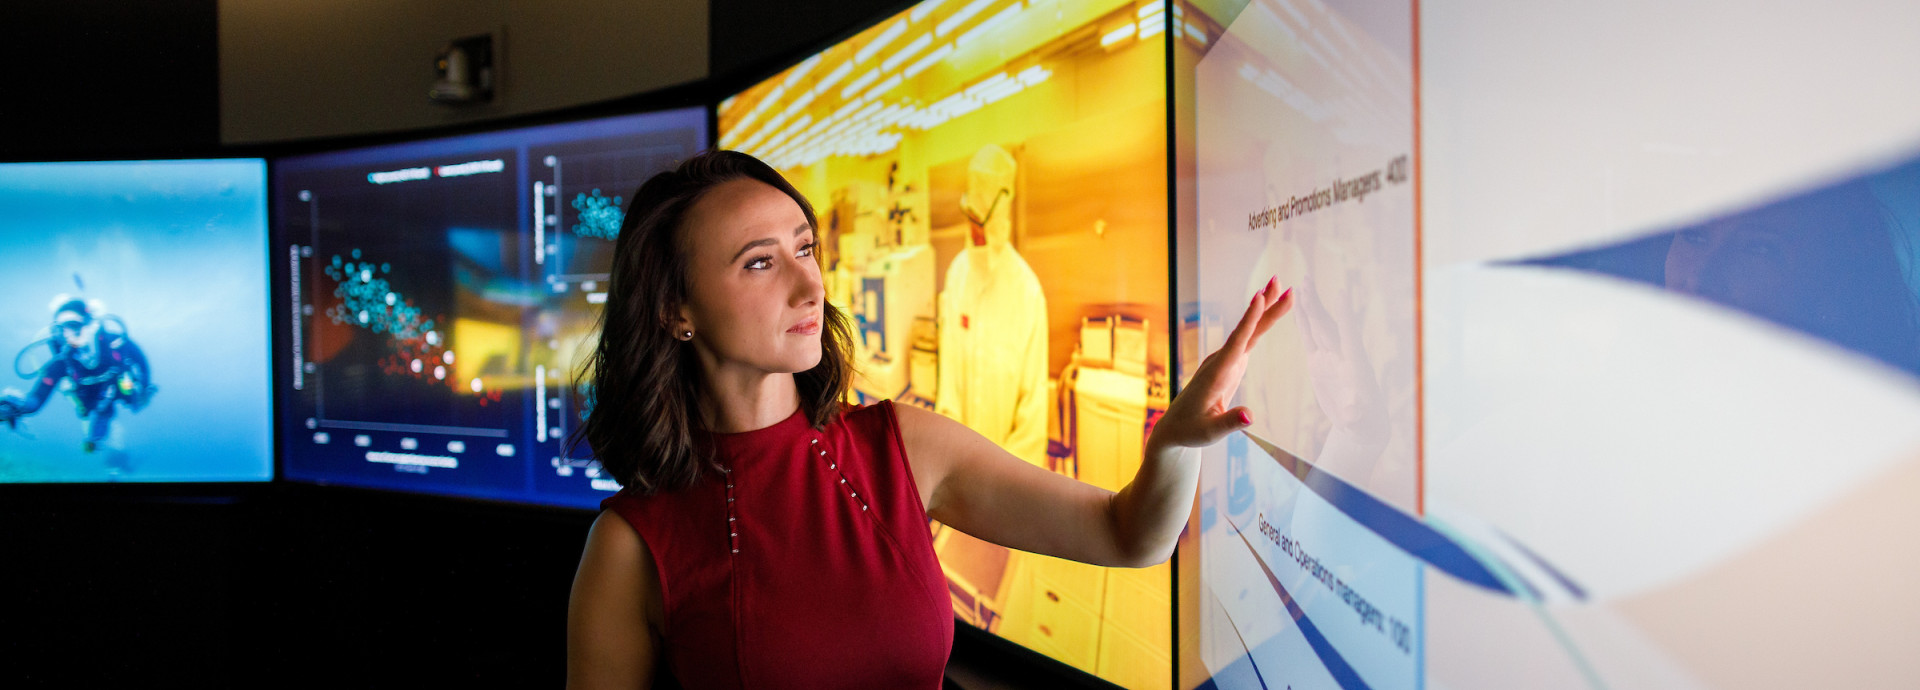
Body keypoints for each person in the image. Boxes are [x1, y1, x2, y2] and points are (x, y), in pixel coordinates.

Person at [565, 150, 1292, 689]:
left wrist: (1172, 445)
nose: (807, 281)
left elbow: (1128, 535)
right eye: (760, 263)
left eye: (805, 247)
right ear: (675, 310)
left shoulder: (901, 446)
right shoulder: (629, 549)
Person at [935, 144, 1049, 466]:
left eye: (981, 220)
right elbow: (950, 380)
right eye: (970, 217)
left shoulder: (1026, 291)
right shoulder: (958, 274)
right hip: (956, 463)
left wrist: (1001, 476)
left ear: (999, 216)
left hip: (1007, 473)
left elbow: (1033, 407)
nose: (974, 229)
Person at [0, 297, 156, 454]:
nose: (68, 335)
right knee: (101, 411)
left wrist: (145, 384)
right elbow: (36, 399)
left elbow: (141, 360)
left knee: (129, 403)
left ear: (91, 324)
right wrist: (15, 406)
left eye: (73, 325)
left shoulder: (115, 343)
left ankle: (102, 434)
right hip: (89, 397)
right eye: (62, 329)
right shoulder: (63, 362)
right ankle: (95, 441)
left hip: (116, 386)